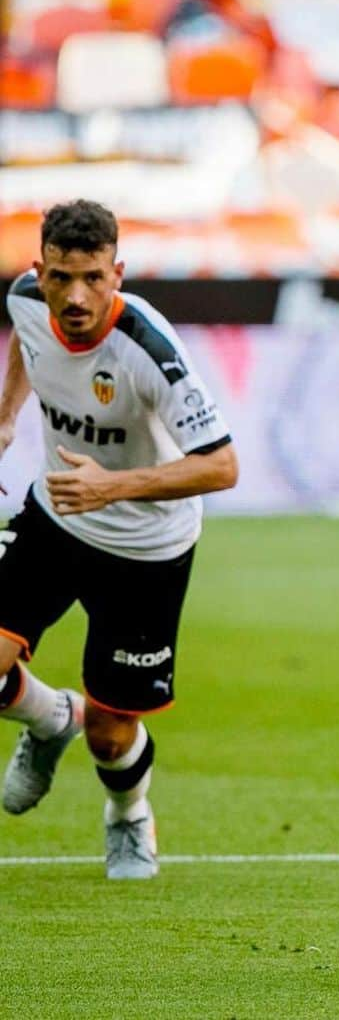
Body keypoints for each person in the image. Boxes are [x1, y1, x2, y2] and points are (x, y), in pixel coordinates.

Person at [0, 200, 237, 879]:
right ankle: (49, 719)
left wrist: (115, 486)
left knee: (111, 732)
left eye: (94, 279)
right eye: (61, 278)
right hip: (58, 515)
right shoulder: (26, 301)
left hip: (146, 550)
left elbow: (222, 465)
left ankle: (129, 815)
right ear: (39, 270)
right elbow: (28, 342)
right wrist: (6, 418)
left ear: (118, 274)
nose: (75, 296)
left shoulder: (149, 352)